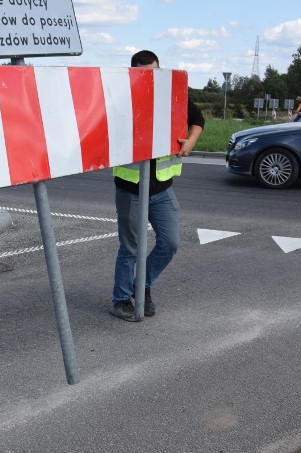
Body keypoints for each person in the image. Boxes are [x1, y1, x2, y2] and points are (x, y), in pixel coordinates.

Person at [109, 50, 205, 322]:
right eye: (144, 72)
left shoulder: (172, 95)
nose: (151, 77)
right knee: (130, 248)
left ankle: (143, 285)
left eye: (154, 71)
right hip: (131, 188)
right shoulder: (122, 99)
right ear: (133, 72)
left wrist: (190, 142)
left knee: (170, 243)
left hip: (162, 189)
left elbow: (197, 120)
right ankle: (121, 300)